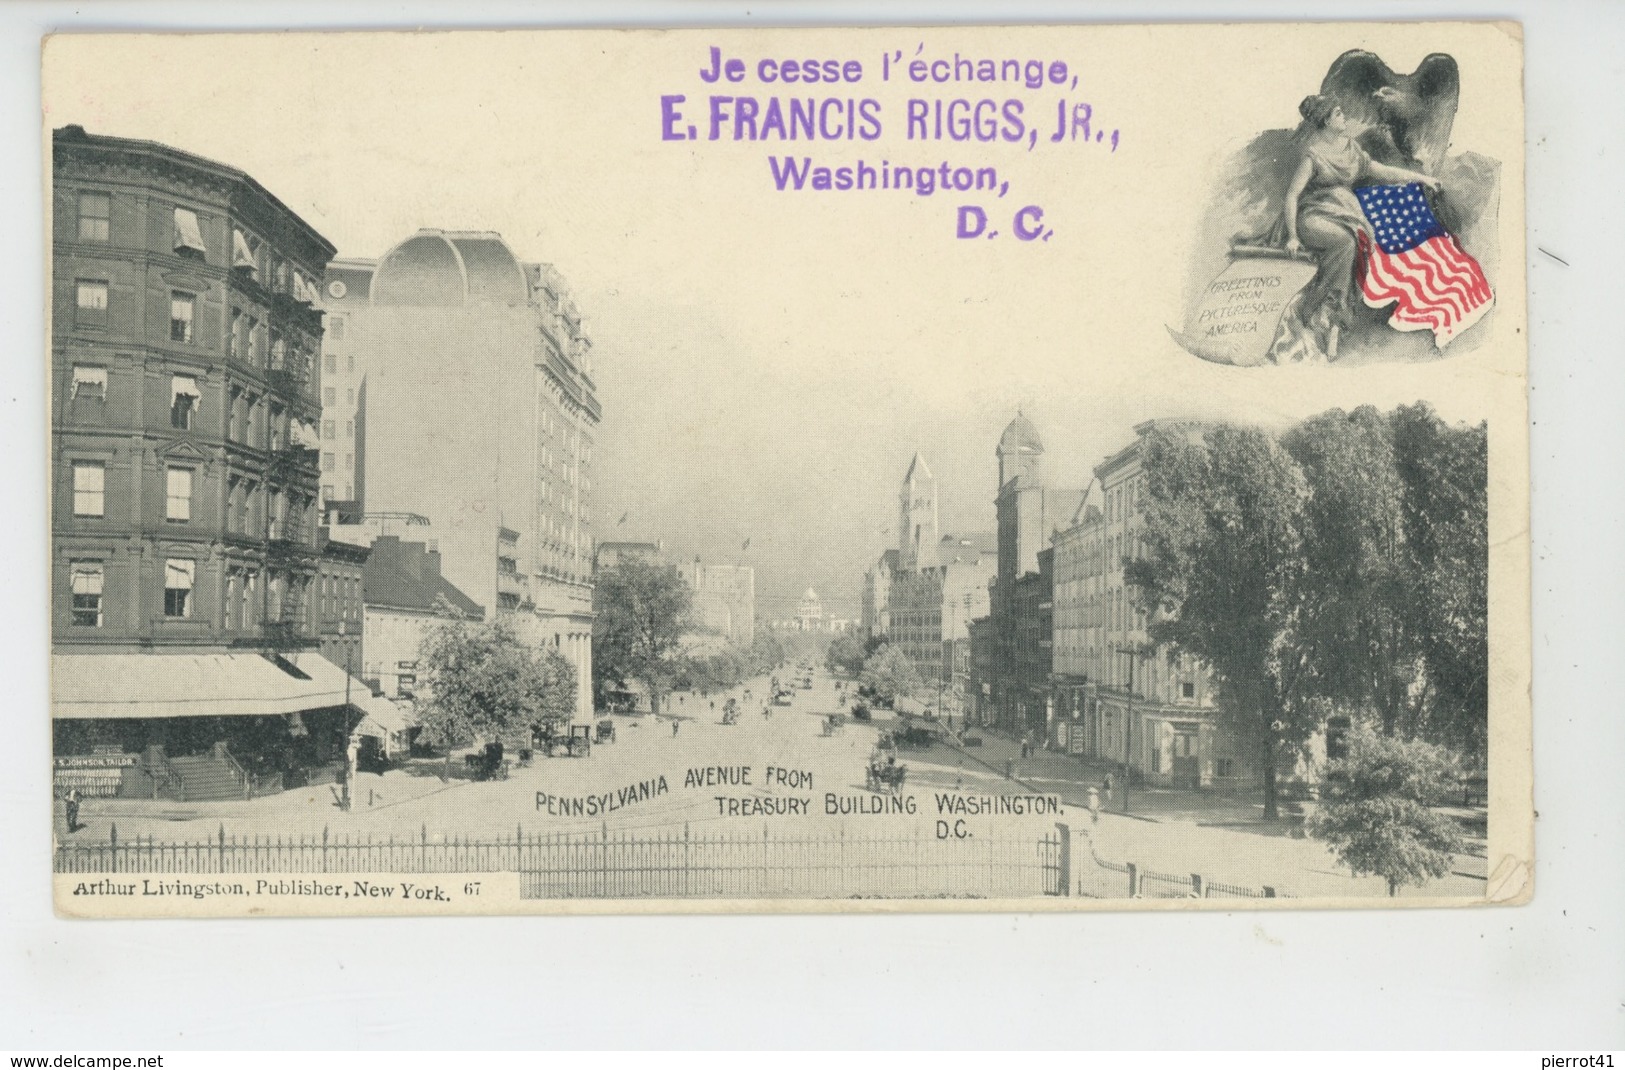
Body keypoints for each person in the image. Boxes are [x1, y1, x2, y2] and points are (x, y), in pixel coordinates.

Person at [1269, 93, 1443, 361]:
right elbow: (1292, 195)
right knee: (1345, 242)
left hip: (1346, 214)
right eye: (1338, 113)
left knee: (1353, 241)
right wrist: (1292, 236)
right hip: (1314, 216)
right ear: (1326, 121)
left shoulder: (1350, 149)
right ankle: (1320, 308)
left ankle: (1333, 316)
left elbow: (1381, 170)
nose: (1344, 117)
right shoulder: (1313, 154)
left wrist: (1422, 178)